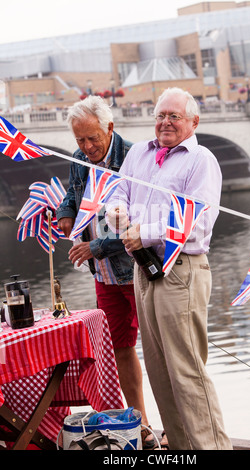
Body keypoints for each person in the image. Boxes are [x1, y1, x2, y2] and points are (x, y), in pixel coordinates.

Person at [106, 87, 232, 450]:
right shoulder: (138, 155)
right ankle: (180, 448)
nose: (165, 122)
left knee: (187, 370)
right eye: (161, 115)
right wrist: (116, 214)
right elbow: (118, 194)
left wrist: (142, 232)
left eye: (174, 116)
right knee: (160, 372)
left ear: (193, 122)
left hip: (183, 270)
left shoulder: (201, 160)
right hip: (143, 271)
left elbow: (197, 222)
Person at [56, 95, 155, 449]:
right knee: (119, 348)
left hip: (136, 269)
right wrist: (66, 211)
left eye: (92, 138)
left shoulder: (135, 157)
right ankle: (141, 424)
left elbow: (140, 220)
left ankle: (176, 423)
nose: (86, 147)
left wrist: (94, 247)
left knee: (159, 349)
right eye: (79, 140)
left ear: (109, 128)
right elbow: (73, 192)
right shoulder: (80, 159)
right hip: (104, 276)